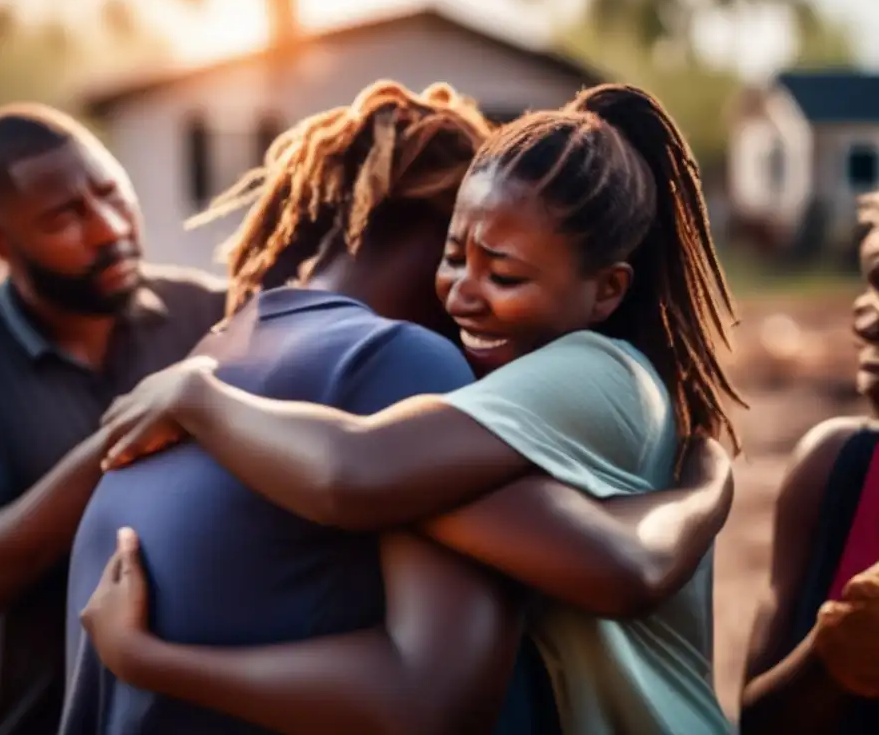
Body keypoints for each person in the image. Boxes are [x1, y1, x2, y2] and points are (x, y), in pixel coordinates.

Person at [80, 82, 737, 734]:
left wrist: (202, 400)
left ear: (607, 291)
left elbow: (353, 473)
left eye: (505, 275)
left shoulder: (594, 374)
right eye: (455, 258)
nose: (463, 296)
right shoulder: (497, 400)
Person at [0, 105, 226, 734]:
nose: (107, 229)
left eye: (110, 193)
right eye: (63, 217)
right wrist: (125, 436)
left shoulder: (210, 314)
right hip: (27, 722)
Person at [740, 192, 879, 733]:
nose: (865, 322)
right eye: (869, 283)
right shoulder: (835, 471)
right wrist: (833, 655)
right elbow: (755, 720)